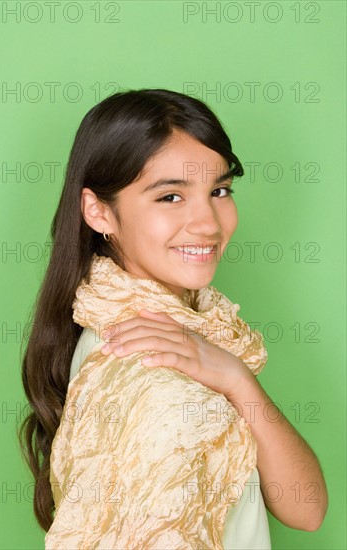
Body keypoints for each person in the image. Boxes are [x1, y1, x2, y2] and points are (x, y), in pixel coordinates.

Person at [18, 88, 328, 549]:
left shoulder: (187, 337)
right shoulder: (146, 371)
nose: (208, 223)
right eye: (170, 197)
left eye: (219, 190)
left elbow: (306, 510)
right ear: (99, 211)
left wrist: (236, 378)